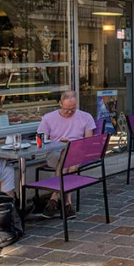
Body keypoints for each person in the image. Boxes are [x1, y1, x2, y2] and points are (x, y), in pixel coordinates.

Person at [37, 91, 97, 219]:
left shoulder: (86, 117)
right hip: (55, 153)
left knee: (70, 157)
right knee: (68, 159)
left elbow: (88, 142)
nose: (70, 112)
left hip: (77, 152)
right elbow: (41, 140)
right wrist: (57, 143)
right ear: (59, 103)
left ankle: (55, 197)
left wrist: (71, 144)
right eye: (66, 109)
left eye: (73, 109)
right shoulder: (48, 118)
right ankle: (67, 203)